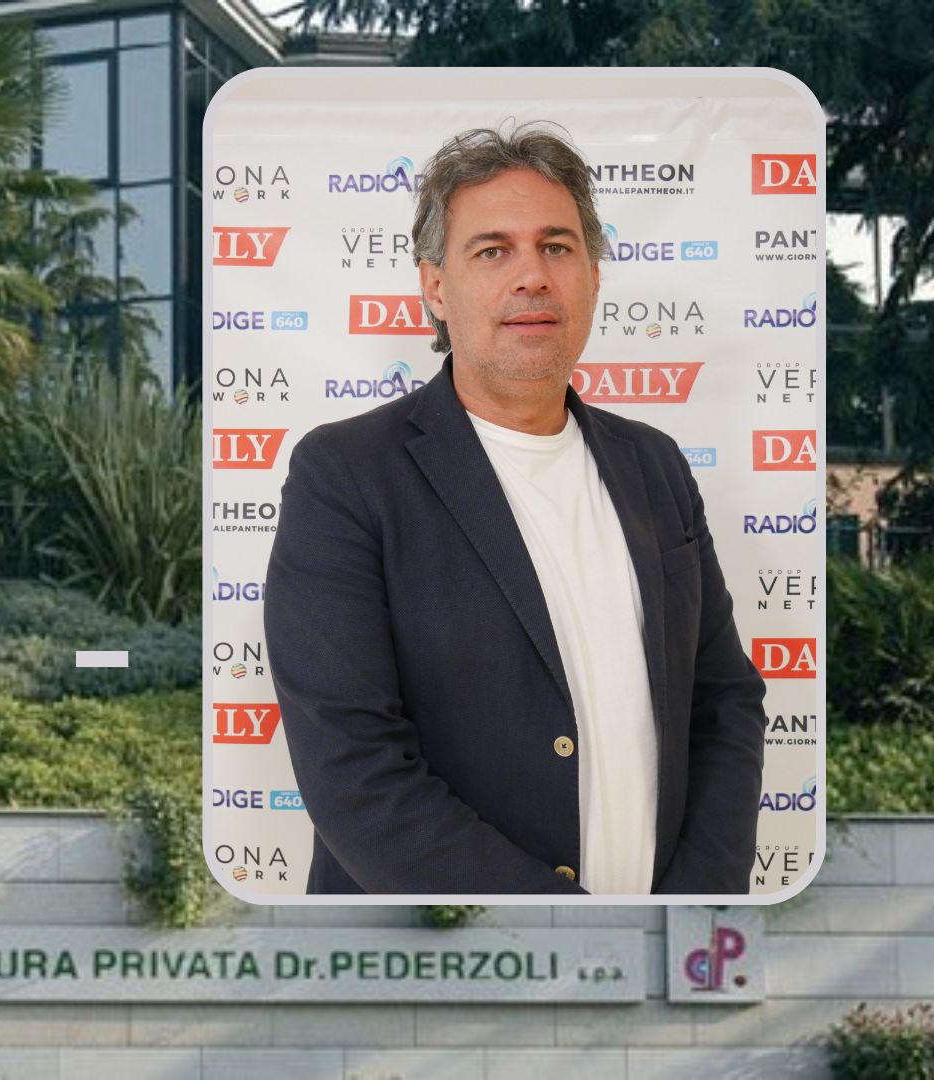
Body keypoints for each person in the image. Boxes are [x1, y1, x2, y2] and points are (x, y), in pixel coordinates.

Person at [260, 122, 766, 895]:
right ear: (435, 287)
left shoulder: (656, 467)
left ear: (592, 276)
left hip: (660, 953)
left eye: (556, 247)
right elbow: (354, 771)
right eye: (493, 251)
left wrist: (689, 915)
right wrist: (562, 938)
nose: (532, 275)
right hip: (445, 960)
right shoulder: (347, 476)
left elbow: (724, 703)